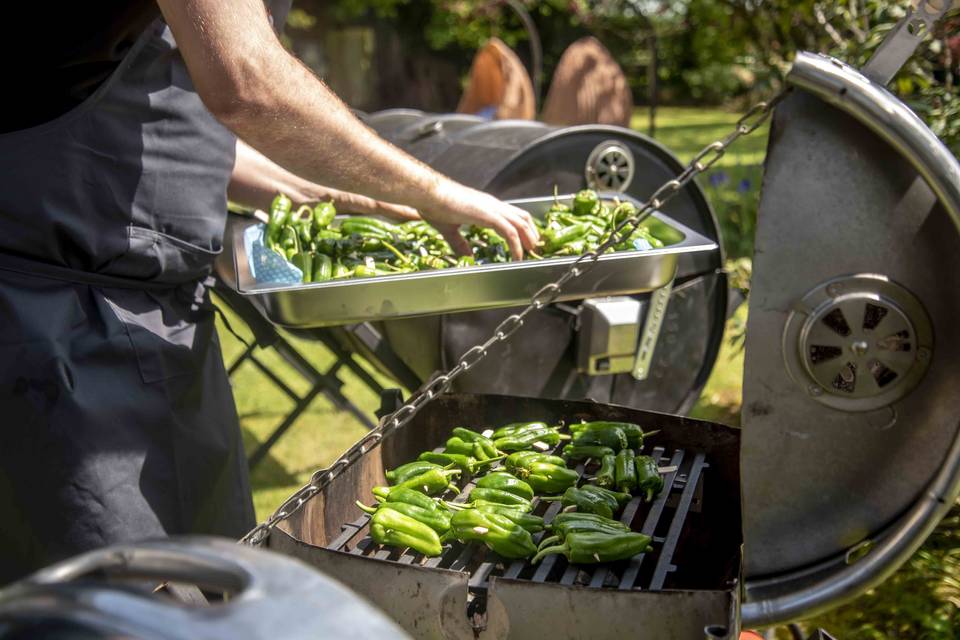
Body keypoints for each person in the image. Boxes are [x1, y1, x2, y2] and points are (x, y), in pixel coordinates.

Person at [0, 0, 538, 583]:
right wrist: (435, 189)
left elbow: (154, 121)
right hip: (57, 335)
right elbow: (246, 80)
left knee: (207, 579)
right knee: (117, 597)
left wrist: (326, 192)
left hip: (154, 322)